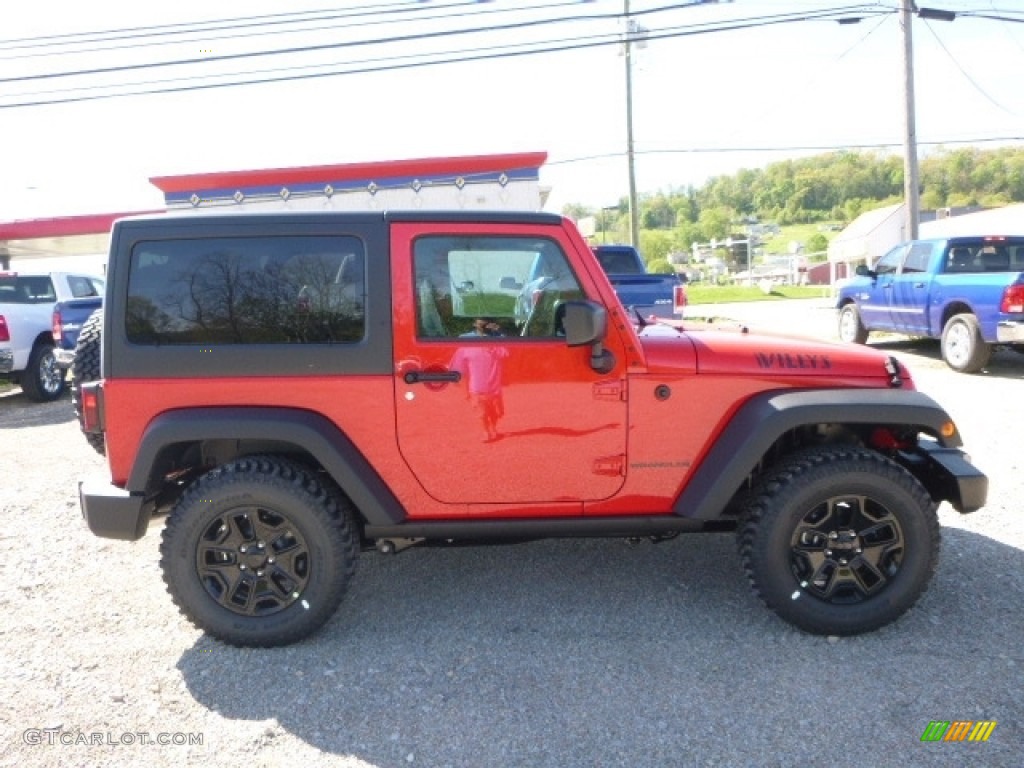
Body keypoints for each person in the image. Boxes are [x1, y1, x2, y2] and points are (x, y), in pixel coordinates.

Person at [450, 319, 508, 442]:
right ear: (475, 324)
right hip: (476, 386)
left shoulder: (499, 339)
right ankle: (485, 431)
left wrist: (496, 337)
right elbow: (459, 368)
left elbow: (505, 354)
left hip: (494, 386)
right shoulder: (466, 341)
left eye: (487, 320)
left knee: (495, 413)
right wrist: (464, 390)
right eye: (481, 321)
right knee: (481, 413)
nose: (484, 323)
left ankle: (492, 427)